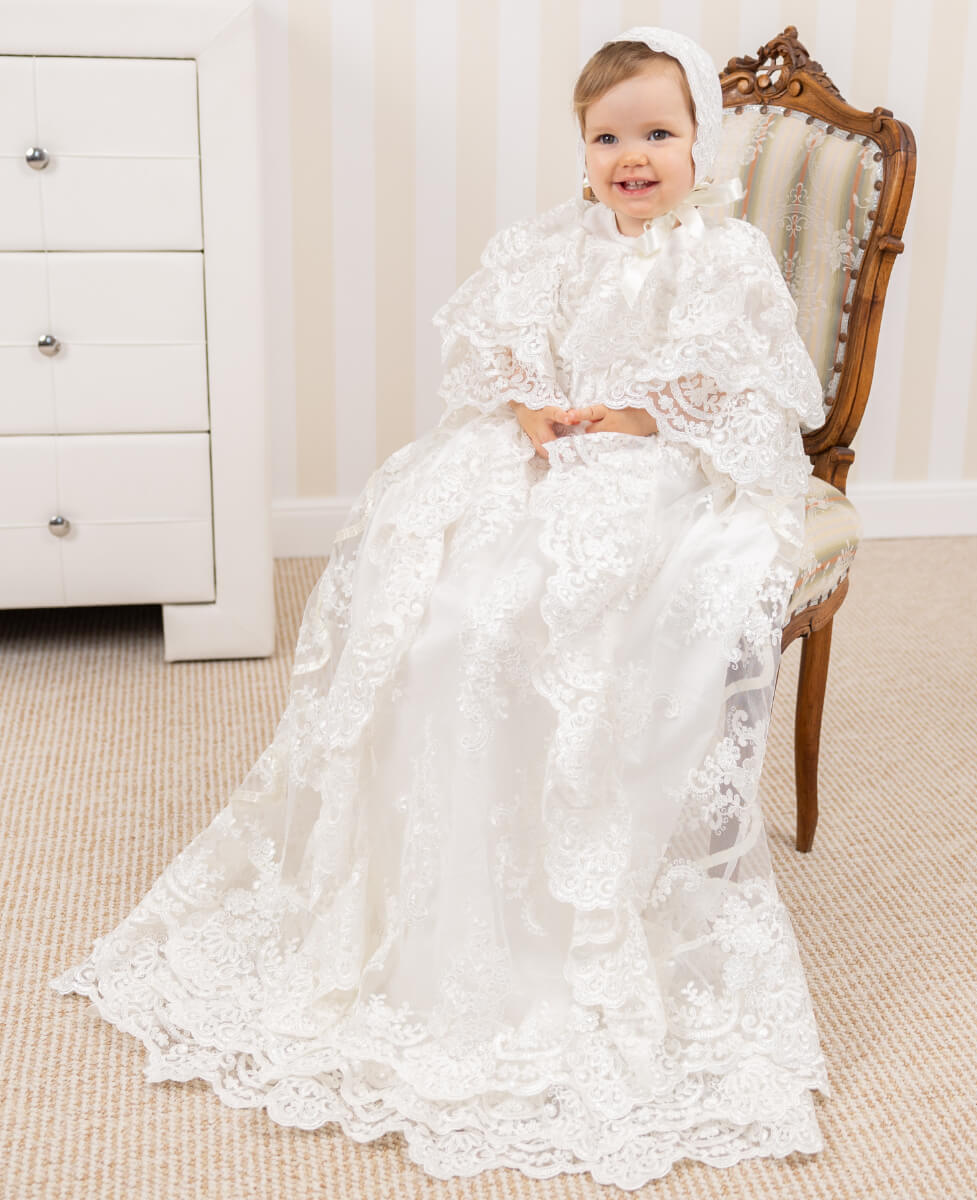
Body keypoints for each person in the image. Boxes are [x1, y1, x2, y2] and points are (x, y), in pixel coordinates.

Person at [49, 26, 830, 1190]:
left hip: (654, 464)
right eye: (609, 136)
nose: (633, 157)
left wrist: (633, 419)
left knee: (578, 600)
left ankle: (572, 886)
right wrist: (531, 414)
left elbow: (749, 389)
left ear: (696, 145)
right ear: (582, 149)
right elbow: (508, 354)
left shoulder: (723, 260)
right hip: (548, 449)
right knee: (444, 591)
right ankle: (440, 872)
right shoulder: (549, 243)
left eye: (658, 134)